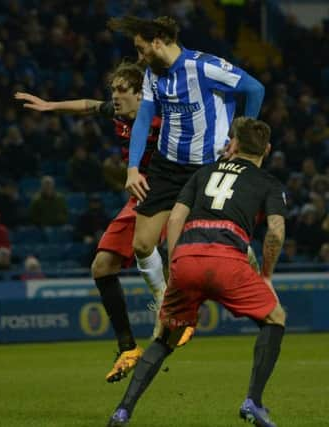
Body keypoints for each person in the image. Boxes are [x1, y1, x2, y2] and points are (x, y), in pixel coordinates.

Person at [107, 118, 286, 427]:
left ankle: (122, 411)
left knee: (166, 337)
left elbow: (175, 219)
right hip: (228, 258)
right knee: (275, 318)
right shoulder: (267, 182)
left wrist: (175, 263)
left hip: (187, 257)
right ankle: (253, 401)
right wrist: (266, 274)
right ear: (266, 150)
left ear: (236, 144)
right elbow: (276, 231)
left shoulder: (204, 173)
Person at [109, 14, 264, 343]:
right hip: (167, 167)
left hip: (206, 168)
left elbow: (255, 88)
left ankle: (239, 259)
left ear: (157, 42)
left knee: (192, 247)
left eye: (140, 49)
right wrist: (133, 168)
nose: (138, 57)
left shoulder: (204, 67)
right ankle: (165, 304)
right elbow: (144, 120)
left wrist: (241, 138)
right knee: (142, 244)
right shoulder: (153, 74)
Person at [16, 61, 163, 382]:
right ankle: (128, 348)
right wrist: (49, 105)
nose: (115, 96)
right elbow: (87, 105)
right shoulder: (120, 114)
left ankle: (174, 307)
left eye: (122, 90)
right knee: (102, 266)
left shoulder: (164, 116)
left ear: (142, 94)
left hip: (174, 193)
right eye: (113, 90)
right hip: (141, 197)